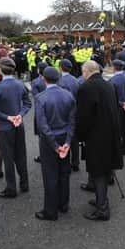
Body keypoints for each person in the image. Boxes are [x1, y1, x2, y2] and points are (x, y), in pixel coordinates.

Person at [76, 61, 123, 221]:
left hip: (96, 136)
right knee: (103, 169)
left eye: (83, 72)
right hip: (110, 133)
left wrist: (80, 136)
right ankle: (100, 200)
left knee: (98, 172)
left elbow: (84, 117)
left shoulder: (86, 88)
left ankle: (102, 209)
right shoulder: (107, 84)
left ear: (87, 72)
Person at [34, 67, 76, 221]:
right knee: (64, 172)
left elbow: (43, 126)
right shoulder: (68, 95)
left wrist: (54, 145)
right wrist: (67, 142)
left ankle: (50, 211)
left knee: (50, 174)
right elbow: (72, 121)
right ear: (58, 78)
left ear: (44, 79)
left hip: (49, 141)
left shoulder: (40, 97)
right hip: (64, 137)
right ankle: (63, 204)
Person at [0, 58, 32, 198]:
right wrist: (19, 115)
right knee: (21, 155)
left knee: (8, 157)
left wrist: (6, 117)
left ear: (0, 70)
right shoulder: (20, 84)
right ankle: (24, 184)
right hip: (19, 124)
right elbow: (27, 103)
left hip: (5, 126)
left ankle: (11, 188)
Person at [57, 59, 82, 171]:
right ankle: (75, 162)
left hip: (62, 112)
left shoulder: (58, 80)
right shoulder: (76, 80)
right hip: (75, 111)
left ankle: (65, 161)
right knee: (74, 138)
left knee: (63, 137)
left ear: (61, 67)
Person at [109, 59, 125, 157]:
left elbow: (112, 96)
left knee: (116, 128)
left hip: (117, 107)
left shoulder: (113, 80)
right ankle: (124, 148)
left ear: (115, 67)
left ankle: (117, 148)